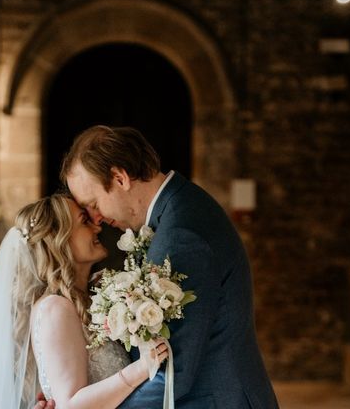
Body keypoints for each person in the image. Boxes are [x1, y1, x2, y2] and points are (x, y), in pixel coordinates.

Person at [59, 125, 279, 409]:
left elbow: (172, 374)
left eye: (93, 203)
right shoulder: (177, 208)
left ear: (119, 177)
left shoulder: (180, 235)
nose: (96, 218)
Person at [0, 193, 169, 409]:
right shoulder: (55, 308)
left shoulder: (85, 300)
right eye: (84, 221)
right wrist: (141, 368)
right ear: (59, 240)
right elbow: (71, 404)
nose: (97, 227)